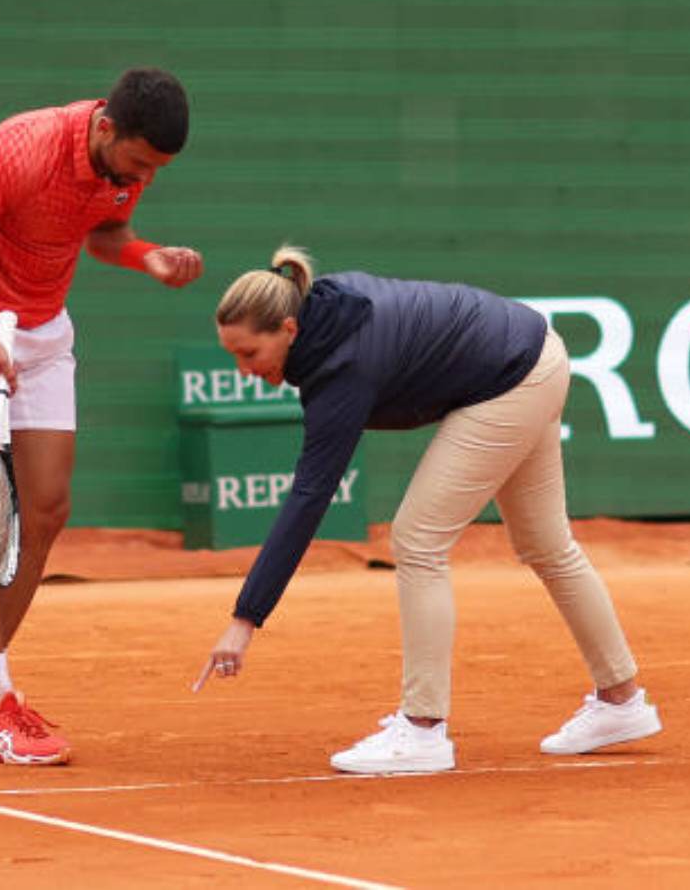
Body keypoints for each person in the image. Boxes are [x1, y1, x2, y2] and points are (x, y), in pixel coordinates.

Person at [193, 245, 661, 774]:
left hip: (513, 376)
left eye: (250, 354)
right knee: (547, 545)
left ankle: (422, 729)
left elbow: (309, 497)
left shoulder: (342, 364)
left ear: (288, 328)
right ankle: (622, 700)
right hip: (534, 352)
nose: (245, 369)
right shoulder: (321, 312)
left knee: (417, 540)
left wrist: (245, 619)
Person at [0, 68, 203, 766]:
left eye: (155, 168)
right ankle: (0, 707)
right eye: (139, 161)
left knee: (46, 508)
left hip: (41, 331)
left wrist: (145, 257)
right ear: (105, 129)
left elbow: (103, 232)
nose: (143, 174)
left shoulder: (128, 162)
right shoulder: (21, 150)